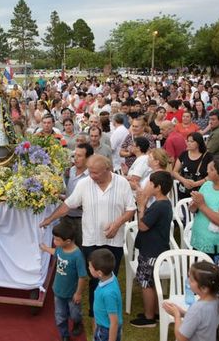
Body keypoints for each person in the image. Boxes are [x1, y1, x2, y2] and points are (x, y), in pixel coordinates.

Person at [40, 155, 136, 318]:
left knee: (109, 278)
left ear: (107, 169)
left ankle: (110, 312)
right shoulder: (84, 184)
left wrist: (117, 224)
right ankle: (95, 312)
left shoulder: (122, 183)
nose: (91, 176)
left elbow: (130, 209)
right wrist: (49, 219)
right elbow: (68, 205)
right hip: (91, 240)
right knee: (93, 278)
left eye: (95, 173)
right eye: (89, 172)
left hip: (114, 241)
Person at [130, 171, 174, 328]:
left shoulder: (159, 206)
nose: (147, 185)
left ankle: (149, 319)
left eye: (150, 183)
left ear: (158, 187)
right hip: (155, 249)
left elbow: (142, 226)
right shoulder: (162, 203)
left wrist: (141, 206)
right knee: (151, 282)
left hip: (152, 251)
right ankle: (154, 312)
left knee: (146, 283)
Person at [39, 222, 88, 341]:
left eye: (57, 239)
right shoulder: (60, 249)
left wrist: (78, 293)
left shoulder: (77, 256)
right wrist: (45, 248)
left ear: (68, 241)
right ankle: (64, 335)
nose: (54, 241)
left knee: (75, 314)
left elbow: (82, 276)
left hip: (72, 294)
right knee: (60, 316)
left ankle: (77, 323)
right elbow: (55, 252)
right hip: (58, 291)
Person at [162, 261, 219, 341]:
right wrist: (183, 313)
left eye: (191, 280)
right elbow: (201, 321)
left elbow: (181, 338)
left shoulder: (197, 308)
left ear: (204, 288)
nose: (188, 280)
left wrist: (177, 315)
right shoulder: (217, 300)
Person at [61, 142, 93, 248]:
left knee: (81, 248)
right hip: (66, 217)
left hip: (81, 220)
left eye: (79, 156)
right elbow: (68, 194)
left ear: (88, 158)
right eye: (75, 155)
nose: (75, 158)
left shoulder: (92, 176)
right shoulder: (71, 170)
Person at [88, 249, 122, 341]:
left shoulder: (108, 294)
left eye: (90, 267)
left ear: (99, 273)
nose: (88, 268)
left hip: (106, 331)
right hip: (103, 326)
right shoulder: (111, 276)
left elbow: (114, 322)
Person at [173, 132, 213, 200]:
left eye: (191, 141)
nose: (188, 143)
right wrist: (184, 181)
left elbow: (211, 175)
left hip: (201, 191)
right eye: (187, 141)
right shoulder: (184, 154)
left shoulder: (208, 156)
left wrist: (196, 184)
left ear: (198, 143)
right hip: (184, 190)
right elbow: (174, 172)